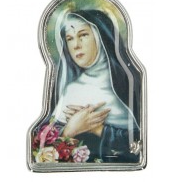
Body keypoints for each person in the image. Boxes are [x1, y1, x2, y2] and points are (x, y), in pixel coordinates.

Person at [40, 9, 142, 163]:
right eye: (69, 38)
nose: (76, 45)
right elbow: (42, 146)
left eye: (83, 35)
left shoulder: (126, 84)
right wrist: (70, 130)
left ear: (101, 37)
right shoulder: (70, 89)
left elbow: (138, 145)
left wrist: (97, 128)